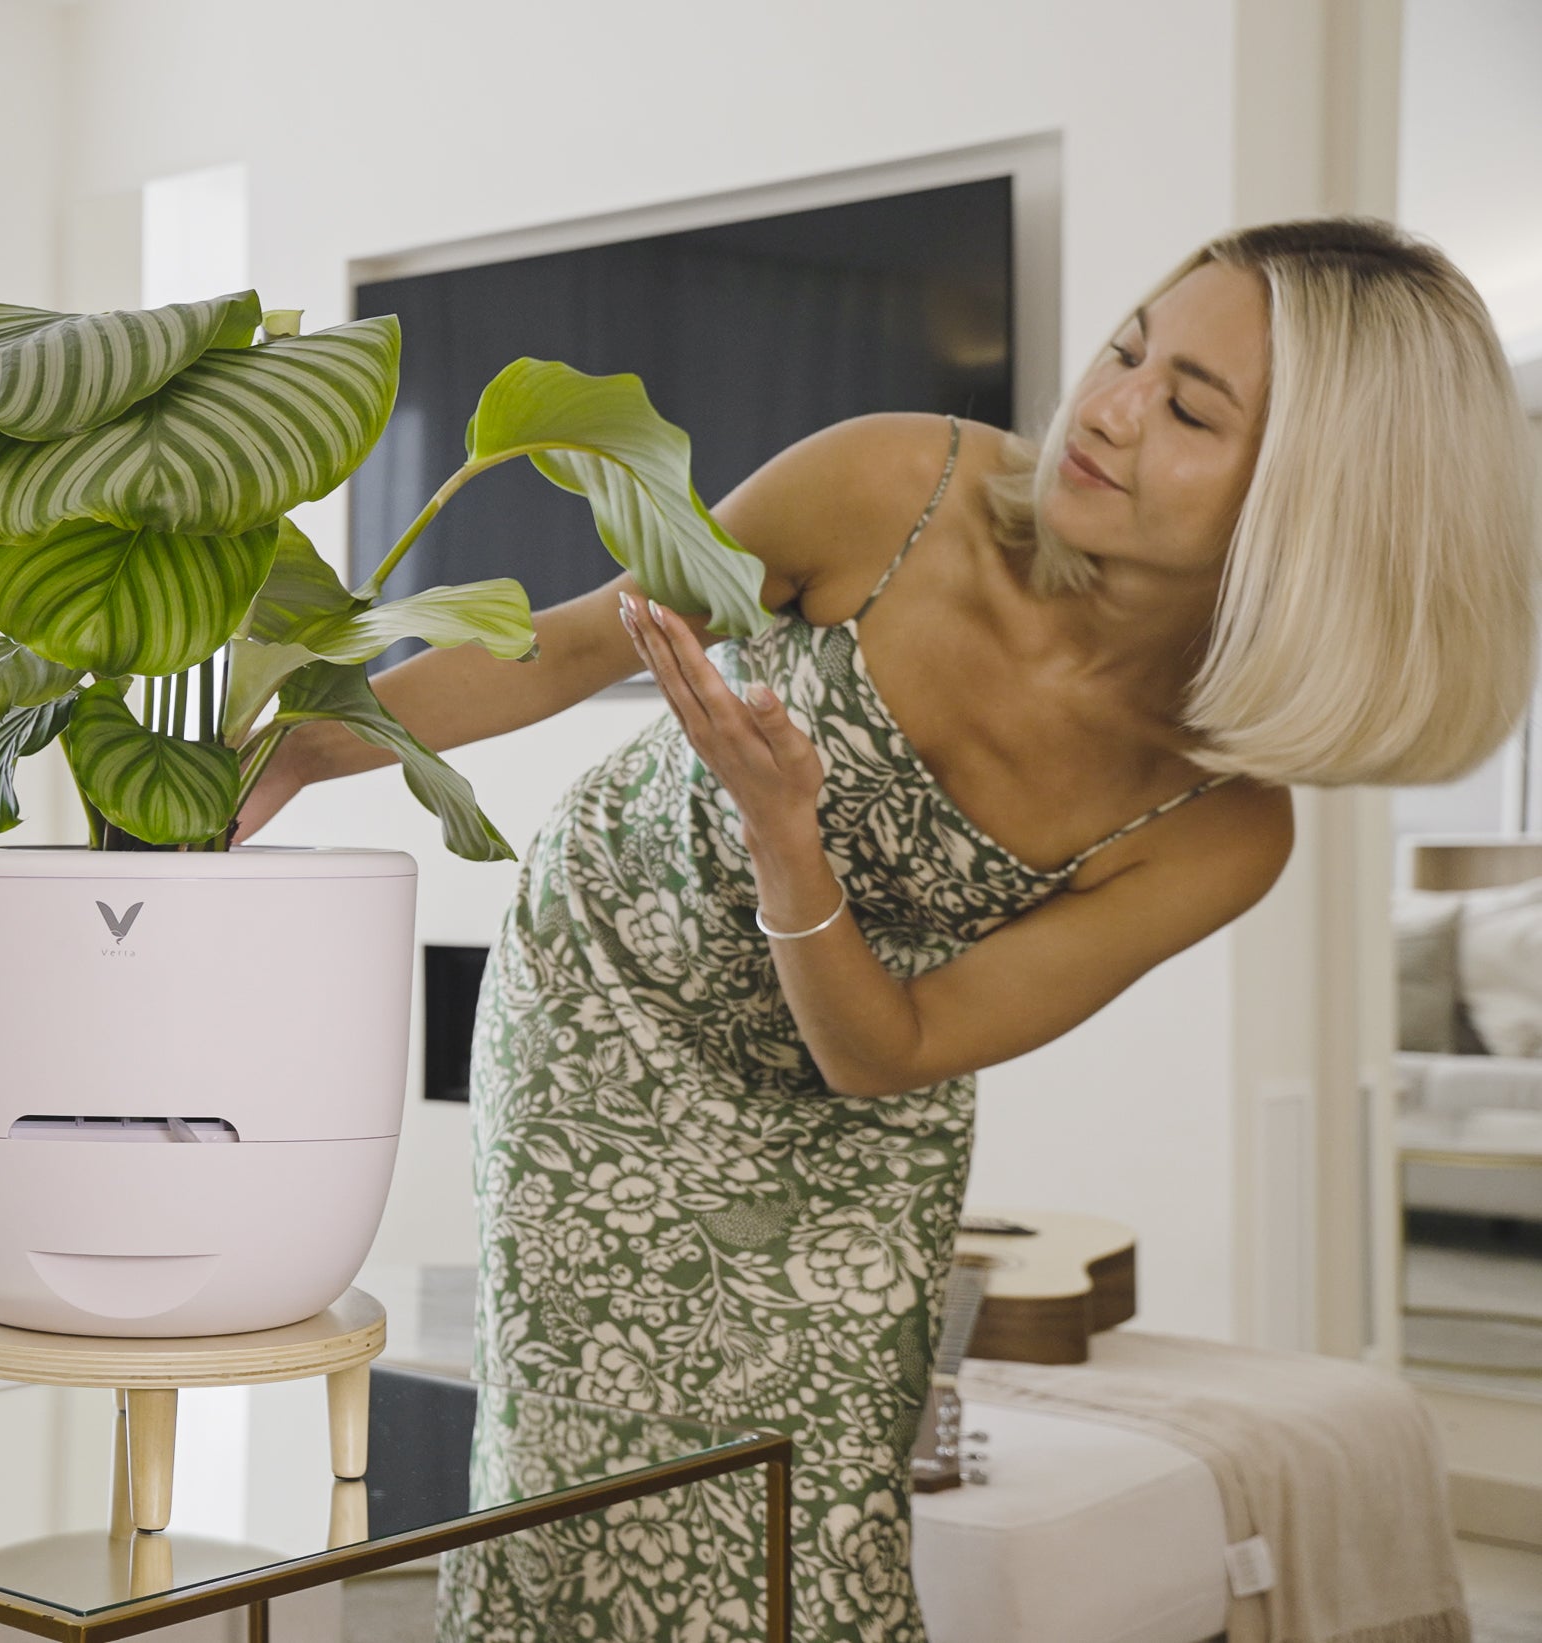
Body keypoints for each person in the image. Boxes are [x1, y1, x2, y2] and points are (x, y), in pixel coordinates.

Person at [237, 218, 1538, 1640]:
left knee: (818, 1521)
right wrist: (305, 748)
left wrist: (787, 831)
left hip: (853, 1107)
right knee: (577, 1483)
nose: (1107, 408)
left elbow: (885, 1050)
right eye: (1128, 350)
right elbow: (566, 645)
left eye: (1189, 407)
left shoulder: (1221, 824)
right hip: (610, 1012)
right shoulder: (894, 484)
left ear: (1314, 504)